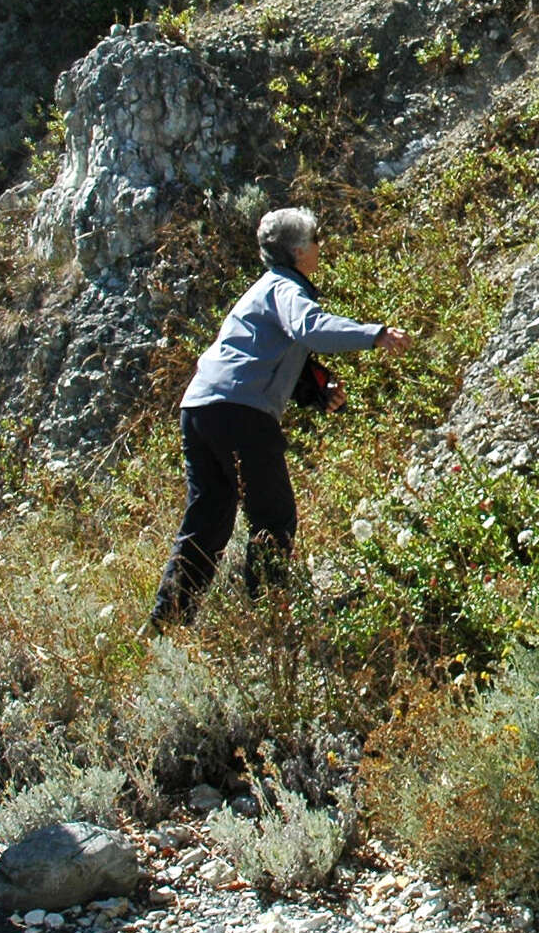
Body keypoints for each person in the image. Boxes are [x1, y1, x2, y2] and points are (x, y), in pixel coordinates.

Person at [148, 207, 410, 628]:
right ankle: (268, 623)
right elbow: (310, 328)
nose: (322, 247)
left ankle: (166, 623)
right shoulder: (287, 288)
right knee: (273, 517)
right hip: (240, 413)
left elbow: (266, 353)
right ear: (299, 249)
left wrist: (315, 390)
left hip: (199, 408)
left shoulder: (262, 291)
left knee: (208, 520)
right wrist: (374, 334)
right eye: (317, 238)